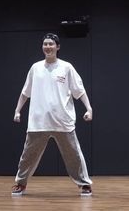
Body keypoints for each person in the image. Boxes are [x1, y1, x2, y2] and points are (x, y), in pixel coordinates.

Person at [11, 33, 93, 196]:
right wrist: (17, 110)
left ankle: (84, 184)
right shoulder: (35, 68)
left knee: (74, 155)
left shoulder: (66, 67)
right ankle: (20, 183)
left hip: (62, 121)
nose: (47, 46)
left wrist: (89, 108)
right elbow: (25, 93)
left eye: (51, 44)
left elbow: (79, 90)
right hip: (38, 121)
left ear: (57, 47)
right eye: (45, 44)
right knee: (28, 155)